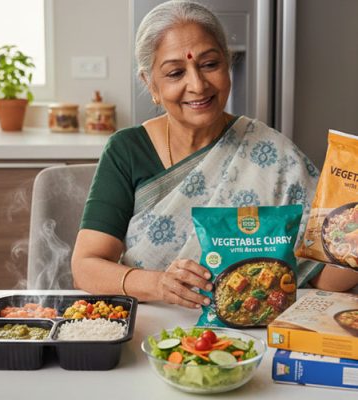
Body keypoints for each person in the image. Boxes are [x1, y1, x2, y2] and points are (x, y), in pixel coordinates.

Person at [71, 0, 358, 308]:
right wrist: (158, 284)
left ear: (228, 63)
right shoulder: (128, 150)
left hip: (252, 332)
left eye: (210, 65)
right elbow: (86, 267)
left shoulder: (272, 153)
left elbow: (325, 279)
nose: (197, 84)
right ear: (150, 83)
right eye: (175, 72)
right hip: (151, 332)